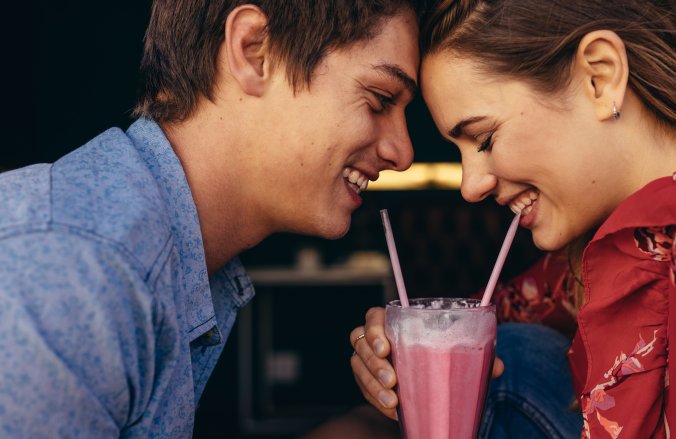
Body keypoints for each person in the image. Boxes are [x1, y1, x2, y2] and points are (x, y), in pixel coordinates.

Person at [348, 0, 676, 437]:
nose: (471, 186)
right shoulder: (603, 253)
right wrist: (397, 344)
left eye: (483, 139)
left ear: (600, 77)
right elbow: (482, 317)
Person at [0, 0, 421, 437]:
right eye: (380, 99)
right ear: (254, 50)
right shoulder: (72, 274)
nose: (403, 152)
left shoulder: (158, 260)